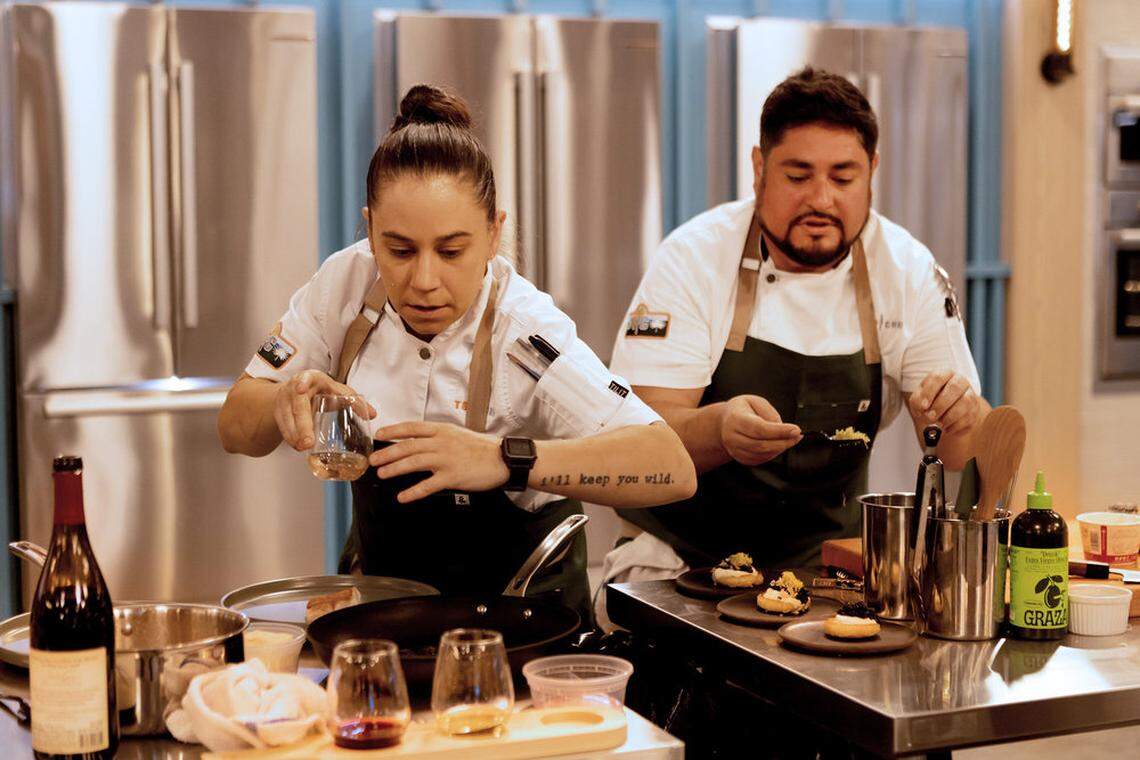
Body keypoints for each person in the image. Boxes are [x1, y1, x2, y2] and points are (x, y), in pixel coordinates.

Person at [217, 85, 696, 626]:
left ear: (495, 234)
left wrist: (506, 459)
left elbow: (670, 467)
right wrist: (285, 398)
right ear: (369, 230)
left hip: (522, 624)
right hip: (385, 612)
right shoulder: (344, 286)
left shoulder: (526, 332)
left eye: (451, 251)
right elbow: (235, 429)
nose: (423, 281)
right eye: (398, 250)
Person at [603, 67, 987, 591]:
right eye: (798, 175)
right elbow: (641, 438)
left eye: (844, 177)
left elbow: (961, 452)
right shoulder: (694, 258)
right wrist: (720, 430)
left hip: (832, 567)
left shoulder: (908, 271)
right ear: (759, 168)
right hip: (682, 564)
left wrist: (958, 415)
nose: (822, 200)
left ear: (873, 170)